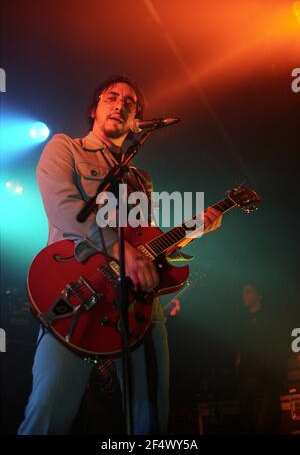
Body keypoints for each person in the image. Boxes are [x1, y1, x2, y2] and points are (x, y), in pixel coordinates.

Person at [18, 74, 222, 435]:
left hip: (136, 306)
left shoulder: (141, 178)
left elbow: (148, 244)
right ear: (94, 109)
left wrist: (192, 232)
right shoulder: (65, 147)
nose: (121, 103)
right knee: (48, 410)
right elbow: (64, 207)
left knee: (151, 415)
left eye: (130, 102)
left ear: (135, 120)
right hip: (77, 290)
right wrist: (119, 251)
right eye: (112, 97)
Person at [236, 283, 285, 434]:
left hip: (267, 377)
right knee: (248, 419)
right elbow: (240, 347)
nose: (245, 295)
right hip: (248, 376)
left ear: (259, 295)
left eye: (249, 292)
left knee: (265, 421)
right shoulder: (242, 321)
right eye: (243, 292)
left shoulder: (270, 318)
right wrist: (238, 360)